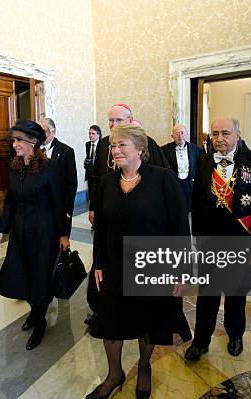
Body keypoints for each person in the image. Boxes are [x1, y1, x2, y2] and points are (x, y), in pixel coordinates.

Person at [87, 124, 191, 399]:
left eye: (122, 145)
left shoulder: (163, 179)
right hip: (115, 266)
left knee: (148, 322)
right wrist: (98, 263)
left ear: (140, 149)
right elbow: (102, 228)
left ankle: (144, 368)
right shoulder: (107, 183)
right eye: (113, 145)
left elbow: (180, 226)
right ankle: (114, 374)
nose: (116, 150)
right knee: (109, 321)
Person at [185, 117, 251, 361]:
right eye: (215, 134)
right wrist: (198, 241)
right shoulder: (204, 161)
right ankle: (200, 341)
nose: (219, 139)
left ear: (238, 134)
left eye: (225, 133)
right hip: (210, 244)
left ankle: (235, 335)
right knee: (207, 294)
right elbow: (198, 203)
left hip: (243, 241)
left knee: (236, 293)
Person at [85, 104, 169, 327]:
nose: (113, 125)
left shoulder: (147, 144)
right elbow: (97, 179)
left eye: (119, 121)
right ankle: (101, 308)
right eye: (110, 121)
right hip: (111, 218)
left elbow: (163, 189)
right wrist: (94, 207)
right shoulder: (104, 145)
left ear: (131, 120)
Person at [0, 120, 71, 351]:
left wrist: (64, 235)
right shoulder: (15, 166)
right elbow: (10, 202)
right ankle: (35, 311)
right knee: (20, 274)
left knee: (40, 277)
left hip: (44, 232)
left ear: (33, 142)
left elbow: (59, 204)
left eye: (19, 140)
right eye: (14, 140)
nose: (14, 144)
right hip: (19, 232)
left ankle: (40, 319)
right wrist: (1, 230)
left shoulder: (49, 167)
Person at [39, 117, 78, 218]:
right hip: (40, 207)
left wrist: (68, 209)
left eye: (43, 131)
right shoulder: (34, 150)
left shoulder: (66, 151)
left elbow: (72, 182)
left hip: (59, 205)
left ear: (53, 131)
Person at [161, 124, 204, 209]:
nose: (180, 136)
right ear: (172, 136)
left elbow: (201, 168)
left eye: (182, 133)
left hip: (190, 185)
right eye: (177, 134)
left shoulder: (196, 149)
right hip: (174, 185)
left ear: (187, 134)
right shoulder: (164, 150)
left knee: (190, 209)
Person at [84, 125, 101, 200]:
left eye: (93, 133)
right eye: (89, 133)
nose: (90, 136)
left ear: (98, 134)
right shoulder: (87, 144)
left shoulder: (102, 144)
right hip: (90, 174)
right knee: (91, 195)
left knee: (98, 196)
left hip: (99, 174)